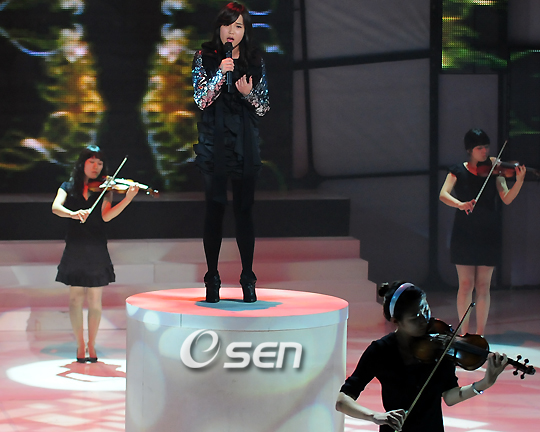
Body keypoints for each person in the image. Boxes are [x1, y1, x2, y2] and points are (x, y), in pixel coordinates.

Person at [335, 281, 508, 432]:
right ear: (396, 321)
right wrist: (375, 416)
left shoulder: (440, 348)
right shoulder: (380, 351)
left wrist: (485, 383)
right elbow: (342, 400)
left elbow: (450, 396)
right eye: (415, 317)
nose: (424, 319)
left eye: (425, 309)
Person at [192, 2, 270, 303]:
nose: (232, 31)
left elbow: (264, 107)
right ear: (219, 28)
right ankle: (212, 278)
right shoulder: (205, 57)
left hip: (243, 142)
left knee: (244, 210)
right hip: (214, 140)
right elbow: (201, 100)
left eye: (238, 26)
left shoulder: (254, 60)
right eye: (228, 25)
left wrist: (248, 94)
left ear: (245, 31)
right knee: (215, 209)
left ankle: (248, 277)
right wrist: (218, 75)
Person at [52, 145, 139, 363]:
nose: (96, 166)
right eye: (91, 161)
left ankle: (91, 344)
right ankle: (80, 343)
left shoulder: (105, 189)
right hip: (75, 247)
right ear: (82, 163)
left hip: (96, 246)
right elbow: (56, 207)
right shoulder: (68, 186)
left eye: (99, 163)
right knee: (75, 298)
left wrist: (127, 198)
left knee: (94, 299)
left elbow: (106, 216)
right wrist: (73, 214)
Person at [439, 129, 525, 335]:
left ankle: (480, 334)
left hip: (488, 232)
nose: (485, 151)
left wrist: (519, 181)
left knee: (483, 285)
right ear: (470, 150)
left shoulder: (495, 170)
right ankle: (463, 333)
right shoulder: (457, 170)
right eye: (479, 148)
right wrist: (460, 204)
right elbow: (443, 194)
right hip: (464, 232)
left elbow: (506, 198)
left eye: (486, 147)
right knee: (465, 284)